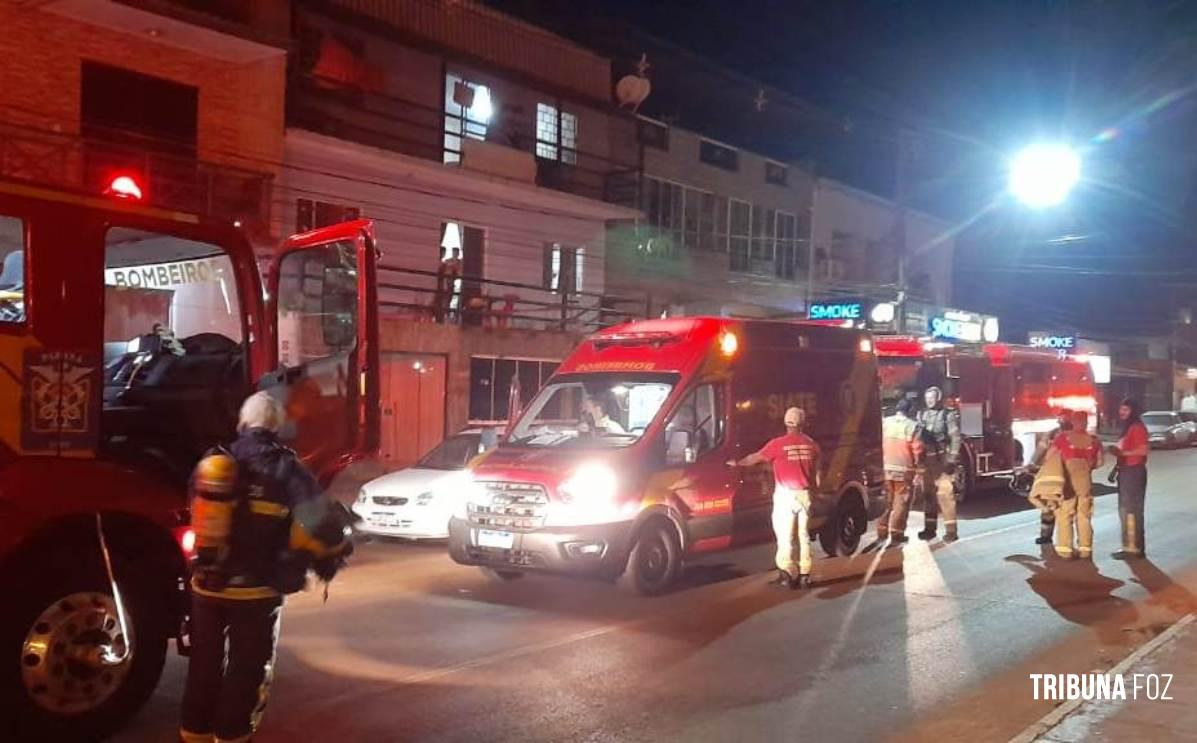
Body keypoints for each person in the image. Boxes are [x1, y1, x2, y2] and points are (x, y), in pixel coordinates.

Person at [180, 392, 354, 743]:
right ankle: (232, 736)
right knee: (245, 668)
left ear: (243, 422)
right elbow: (321, 523)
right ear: (277, 426)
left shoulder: (215, 459)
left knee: (203, 664)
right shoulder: (286, 467)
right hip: (257, 590)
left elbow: (192, 507)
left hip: (207, 585)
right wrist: (336, 548)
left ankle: (193, 734)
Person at [730, 407, 822, 589]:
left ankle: (787, 574)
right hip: (804, 495)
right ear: (803, 423)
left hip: (785, 495)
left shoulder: (778, 444)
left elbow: (754, 458)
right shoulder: (812, 445)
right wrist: (814, 494)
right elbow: (818, 476)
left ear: (786, 423)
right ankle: (805, 575)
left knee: (784, 535)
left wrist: (737, 463)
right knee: (804, 535)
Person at [1053, 410, 1103, 559]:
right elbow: (1100, 462)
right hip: (1084, 481)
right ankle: (1085, 549)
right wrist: (1088, 467)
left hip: (1067, 481)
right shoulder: (1094, 440)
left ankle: (1065, 550)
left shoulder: (1063, 438)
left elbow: (1051, 457)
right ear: (1086, 423)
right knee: (1084, 515)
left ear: (1072, 422)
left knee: (1065, 514)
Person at [916, 386, 962, 542]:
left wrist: (951, 459)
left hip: (942, 461)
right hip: (927, 462)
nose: (929, 401)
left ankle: (951, 532)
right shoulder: (921, 414)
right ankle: (929, 529)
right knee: (928, 496)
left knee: (945, 495)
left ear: (938, 399)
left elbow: (955, 437)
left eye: (932, 398)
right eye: (927, 398)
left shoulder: (948, 415)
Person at [1107, 397, 1149, 559]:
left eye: (1125, 409)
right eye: (1121, 409)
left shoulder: (1137, 427)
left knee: (1130, 510)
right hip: (1126, 471)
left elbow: (1143, 450)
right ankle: (1130, 546)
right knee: (1126, 510)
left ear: (1133, 411)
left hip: (1133, 472)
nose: (1121, 412)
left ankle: (1134, 548)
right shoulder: (1129, 427)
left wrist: (1123, 453)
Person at [878, 398, 923, 544]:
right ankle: (896, 534)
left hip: (885, 468)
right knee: (901, 503)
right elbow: (917, 450)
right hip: (904, 470)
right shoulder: (912, 426)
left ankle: (882, 531)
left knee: (886, 501)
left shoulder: (885, 422)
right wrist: (919, 470)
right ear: (910, 410)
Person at [1027, 410, 1074, 545]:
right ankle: (1046, 535)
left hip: (1067, 475)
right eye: (1061, 418)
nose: (1062, 420)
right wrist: (1032, 464)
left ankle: (1063, 539)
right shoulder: (1052, 434)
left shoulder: (1074, 435)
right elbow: (1040, 450)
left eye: (1064, 418)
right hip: (1056, 474)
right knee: (1050, 507)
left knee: (1063, 509)